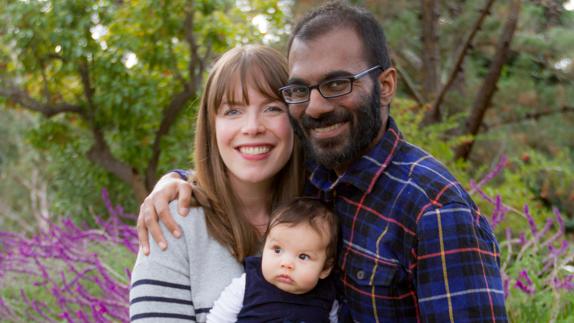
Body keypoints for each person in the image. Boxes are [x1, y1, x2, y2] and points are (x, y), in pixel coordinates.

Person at [137, 1, 508, 321]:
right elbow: (239, 171)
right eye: (301, 90)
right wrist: (173, 182)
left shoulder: (435, 211)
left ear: (386, 86)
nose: (315, 106)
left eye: (337, 84)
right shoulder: (318, 181)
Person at [129, 44, 305, 322]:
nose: (252, 127)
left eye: (272, 108)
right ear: (212, 127)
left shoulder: (325, 213)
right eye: (233, 111)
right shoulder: (175, 222)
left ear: (296, 118)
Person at [206, 197, 339, 322]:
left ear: (325, 268)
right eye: (277, 250)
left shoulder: (327, 296)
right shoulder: (247, 285)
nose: (286, 264)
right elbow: (218, 319)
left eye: (303, 256)